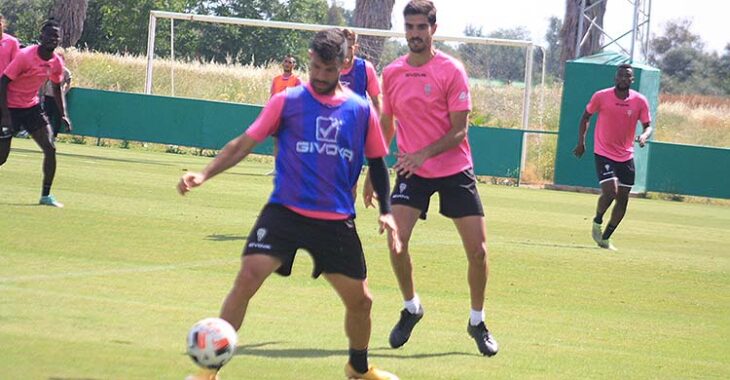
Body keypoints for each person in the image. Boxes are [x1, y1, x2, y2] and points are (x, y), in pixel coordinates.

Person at [178, 28, 401, 380]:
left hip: (335, 220)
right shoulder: (288, 101)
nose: (320, 77)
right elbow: (243, 143)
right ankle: (209, 371)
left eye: (328, 70)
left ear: (344, 65)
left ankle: (359, 369)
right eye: (315, 67)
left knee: (362, 302)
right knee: (247, 278)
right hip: (284, 212)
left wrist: (387, 212)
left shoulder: (360, 110)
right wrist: (204, 174)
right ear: (309, 60)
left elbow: (376, 161)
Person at [364, 0, 499, 357]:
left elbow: (459, 131)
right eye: (409, 28)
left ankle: (477, 320)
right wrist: (372, 170)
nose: (414, 34)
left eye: (421, 27)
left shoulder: (451, 70)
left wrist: (424, 152)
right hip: (412, 172)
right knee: (396, 242)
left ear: (433, 29)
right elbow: (387, 124)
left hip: (454, 169)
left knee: (479, 251)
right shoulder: (392, 73)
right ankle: (411, 307)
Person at [573, 63, 652, 251]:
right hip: (604, 152)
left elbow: (648, 125)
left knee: (623, 199)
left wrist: (643, 136)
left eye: (628, 76)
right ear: (615, 78)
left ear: (632, 80)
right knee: (610, 191)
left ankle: (606, 237)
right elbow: (585, 117)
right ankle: (597, 221)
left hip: (626, 155)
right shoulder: (601, 96)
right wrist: (581, 142)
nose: (624, 79)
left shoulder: (640, 101)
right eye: (621, 76)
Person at [0, 19, 71, 208]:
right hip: (10, 109)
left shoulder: (56, 62)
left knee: (50, 148)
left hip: (31, 108)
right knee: (2, 157)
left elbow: (57, 88)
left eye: (56, 36)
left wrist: (63, 113)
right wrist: (5, 115)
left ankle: (46, 195)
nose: (53, 39)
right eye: (49, 35)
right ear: (41, 37)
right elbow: (3, 82)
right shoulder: (25, 56)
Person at [266, 55, 302, 176]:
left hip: (290, 114)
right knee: (277, 141)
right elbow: (272, 96)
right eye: (286, 62)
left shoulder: (297, 80)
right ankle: (277, 168)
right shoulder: (276, 79)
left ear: (294, 65)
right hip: (277, 114)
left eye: (290, 62)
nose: (287, 64)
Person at [340, 28, 381, 114]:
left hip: (359, 121)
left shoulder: (366, 68)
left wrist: (378, 126)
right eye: (342, 48)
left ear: (356, 48)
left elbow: (376, 103)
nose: (346, 52)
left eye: (349, 48)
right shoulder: (329, 67)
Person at [40, 64, 72, 137]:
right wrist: (43, 92)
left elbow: (68, 83)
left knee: (58, 117)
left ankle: (54, 135)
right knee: (47, 115)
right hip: (48, 96)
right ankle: (46, 133)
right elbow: (45, 80)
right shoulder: (51, 70)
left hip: (59, 97)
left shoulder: (66, 71)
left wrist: (64, 92)